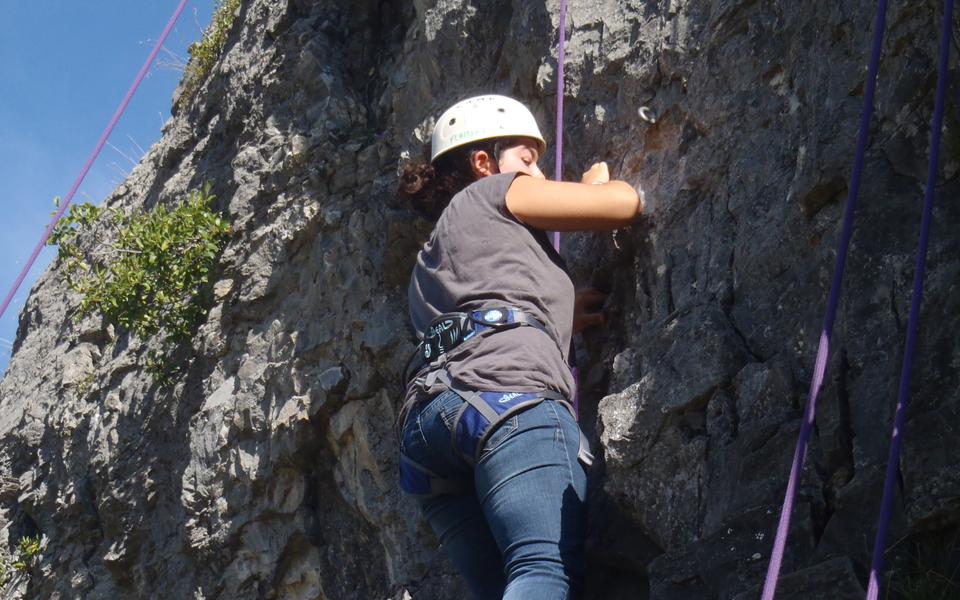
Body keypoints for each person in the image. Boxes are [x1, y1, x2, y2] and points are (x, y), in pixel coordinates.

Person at [396, 94, 642, 600]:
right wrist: (590, 189)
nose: (534, 172)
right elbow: (623, 204)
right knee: (541, 571)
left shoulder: (429, 261)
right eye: (527, 160)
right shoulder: (493, 193)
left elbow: (483, 310)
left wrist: (562, 316)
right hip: (504, 401)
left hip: (427, 432)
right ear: (484, 163)